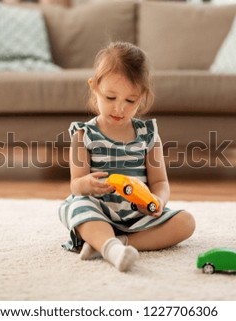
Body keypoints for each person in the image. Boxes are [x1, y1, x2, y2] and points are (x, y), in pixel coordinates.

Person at [58, 41, 195, 272]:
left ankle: (117, 244)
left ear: (141, 97)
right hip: (99, 210)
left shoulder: (148, 135)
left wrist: (158, 201)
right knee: (78, 207)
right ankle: (108, 246)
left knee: (186, 222)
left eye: (130, 101)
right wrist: (87, 185)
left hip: (137, 216)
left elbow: (160, 182)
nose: (119, 109)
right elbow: (75, 185)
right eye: (110, 97)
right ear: (94, 87)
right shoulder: (83, 134)